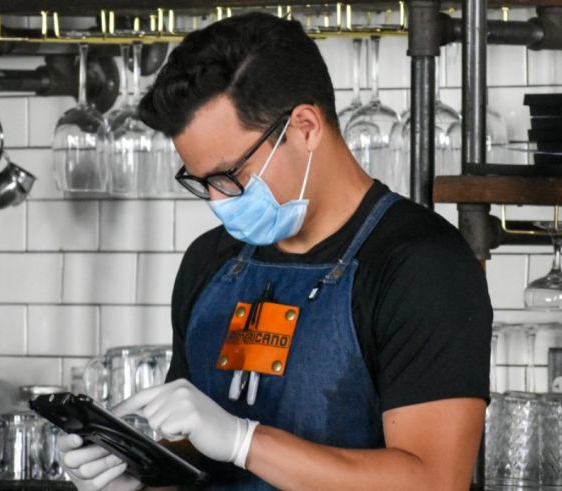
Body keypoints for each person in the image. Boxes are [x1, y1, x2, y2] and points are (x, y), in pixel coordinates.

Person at [57, 12, 492, 491]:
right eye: (200, 182)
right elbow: (195, 453)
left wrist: (246, 441)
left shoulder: (422, 265)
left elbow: (433, 480)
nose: (219, 202)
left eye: (230, 176)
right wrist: (134, 473)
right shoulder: (210, 261)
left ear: (305, 127)